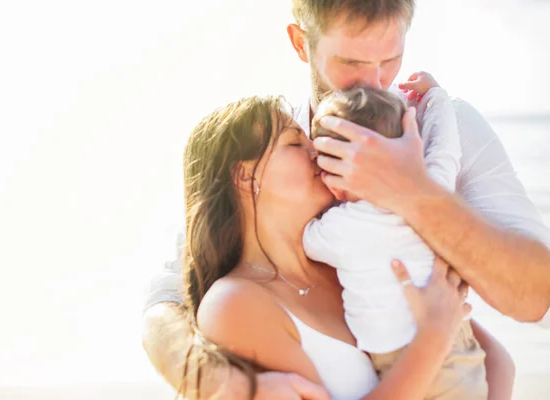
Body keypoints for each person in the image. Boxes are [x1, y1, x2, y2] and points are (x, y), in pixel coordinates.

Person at [143, 0, 549, 397]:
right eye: (352, 64)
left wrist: (415, 192)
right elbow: (175, 290)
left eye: (391, 59)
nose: (375, 83)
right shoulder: (281, 141)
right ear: (301, 43)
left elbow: (534, 297)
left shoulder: (442, 129)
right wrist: (216, 381)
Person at [179, 95, 502, 400]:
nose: (318, 150)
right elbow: (444, 326)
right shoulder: (233, 304)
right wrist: (433, 336)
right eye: (295, 142)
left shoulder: (346, 257)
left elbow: (496, 360)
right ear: (245, 176)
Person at [305, 78, 487, 399]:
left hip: (400, 359)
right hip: (459, 344)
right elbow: (445, 151)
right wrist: (436, 98)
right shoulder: (431, 190)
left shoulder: (341, 227)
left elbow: (306, 239)